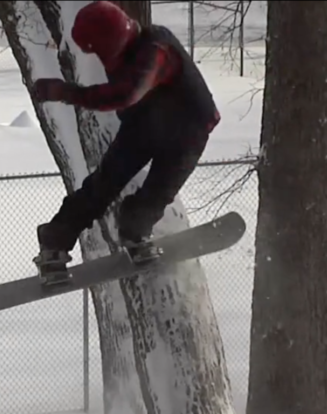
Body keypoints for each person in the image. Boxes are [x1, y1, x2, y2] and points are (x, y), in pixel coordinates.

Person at [28, 0, 221, 284]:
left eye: (99, 51)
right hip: (144, 126)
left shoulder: (156, 48)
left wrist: (66, 92)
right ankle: (53, 244)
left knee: (158, 192)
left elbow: (126, 94)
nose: (101, 59)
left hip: (188, 130)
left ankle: (134, 229)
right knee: (102, 185)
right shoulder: (123, 51)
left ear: (111, 42)